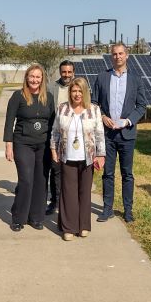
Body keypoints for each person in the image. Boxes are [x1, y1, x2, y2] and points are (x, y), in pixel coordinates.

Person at [92, 43, 146, 223]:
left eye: (121, 53)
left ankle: (127, 210)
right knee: (108, 173)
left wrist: (128, 120)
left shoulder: (136, 79)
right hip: (107, 134)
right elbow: (94, 104)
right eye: (114, 54)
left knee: (127, 173)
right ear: (111, 56)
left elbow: (141, 106)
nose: (118, 57)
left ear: (127, 55)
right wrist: (102, 116)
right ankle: (107, 209)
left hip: (127, 134)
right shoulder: (102, 78)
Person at [51, 77, 105, 241]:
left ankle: (83, 225)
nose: (77, 94)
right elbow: (55, 132)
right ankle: (69, 227)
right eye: (74, 91)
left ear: (85, 92)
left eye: (80, 91)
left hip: (87, 158)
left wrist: (101, 155)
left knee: (84, 193)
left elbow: (99, 134)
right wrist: (54, 149)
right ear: (69, 92)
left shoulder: (93, 110)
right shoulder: (62, 109)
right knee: (68, 193)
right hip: (67, 157)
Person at [4, 63, 55, 232]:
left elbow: (53, 121)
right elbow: (9, 121)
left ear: (42, 79)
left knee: (41, 181)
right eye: (32, 76)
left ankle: (36, 217)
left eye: (38, 77)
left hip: (44, 145)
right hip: (23, 143)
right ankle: (18, 217)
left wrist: (55, 146)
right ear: (27, 78)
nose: (34, 80)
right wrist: (8, 145)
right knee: (26, 180)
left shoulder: (48, 96)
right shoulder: (18, 96)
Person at [46, 60, 75, 215]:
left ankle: (69, 202)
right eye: (64, 72)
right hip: (56, 136)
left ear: (73, 72)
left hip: (74, 137)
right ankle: (55, 201)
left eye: (70, 72)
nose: (67, 75)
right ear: (60, 71)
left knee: (71, 172)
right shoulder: (51, 87)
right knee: (55, 170)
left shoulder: (78, 87)